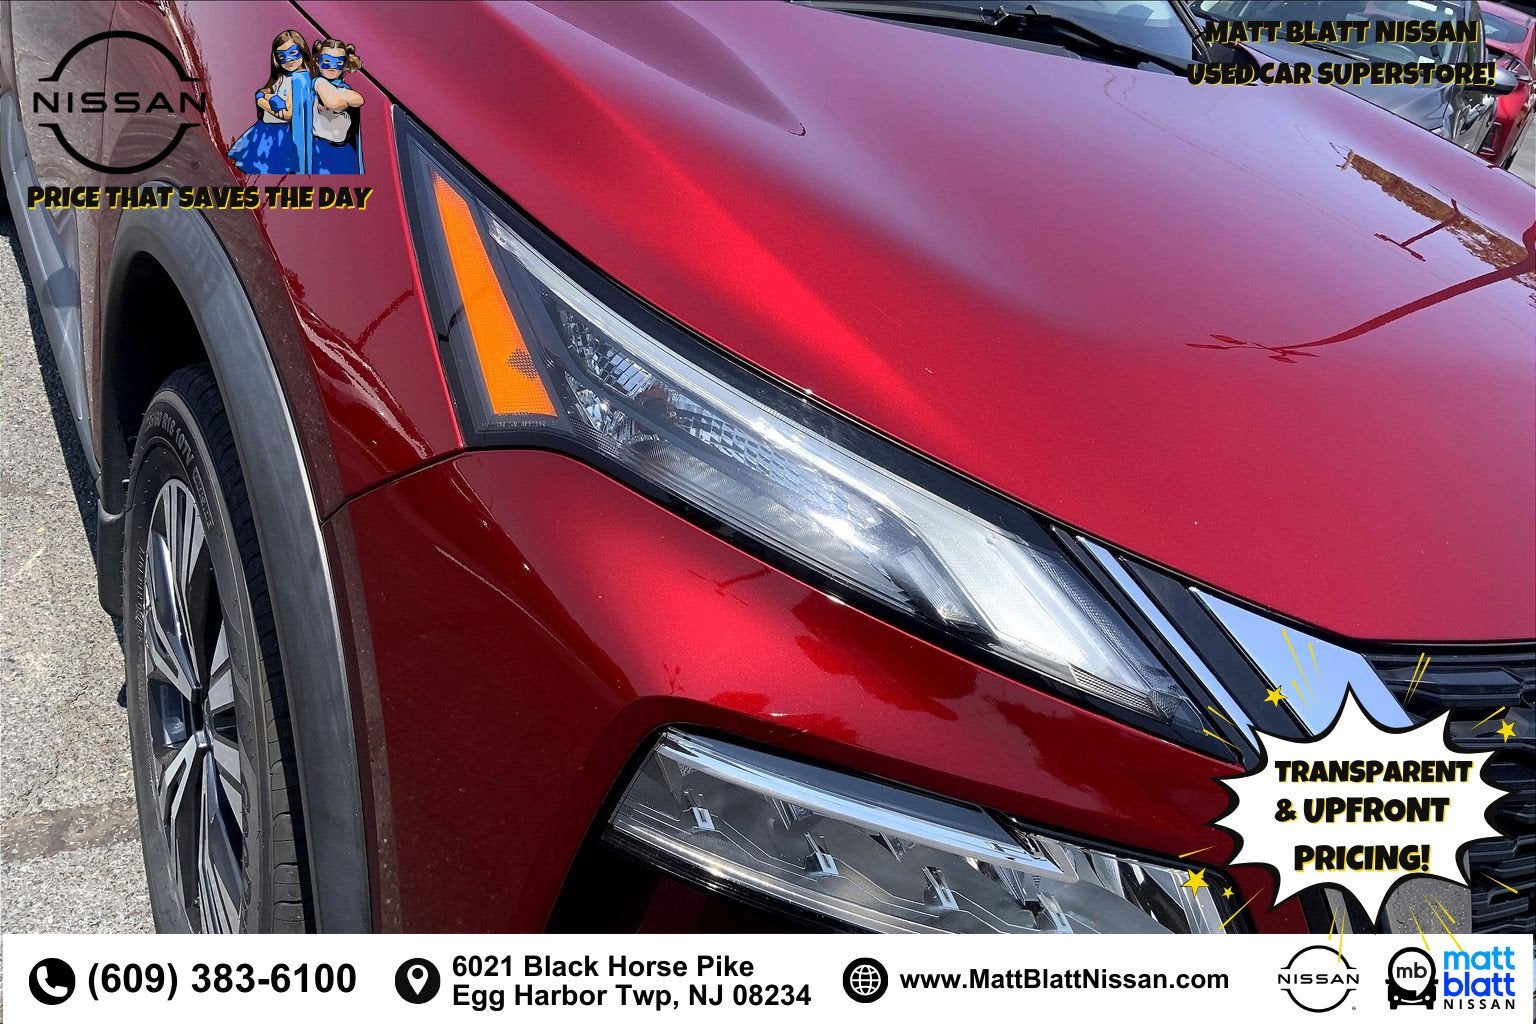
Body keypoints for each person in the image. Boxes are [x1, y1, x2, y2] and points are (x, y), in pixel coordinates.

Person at [227, 30, 316, 174]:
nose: (288, 59)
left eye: (293, 53)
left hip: (278, 136)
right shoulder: (285, 77)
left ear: (302, 50)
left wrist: (262, 101)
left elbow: (288, 113)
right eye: (282, 56)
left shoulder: (299, 80)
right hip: (266, 132)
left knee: (266, 168)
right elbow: (270, 90)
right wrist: (267, 95)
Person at [311, 38, 365, 174]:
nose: (332, 67)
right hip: (321, 148)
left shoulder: (342, 86)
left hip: (343, 147)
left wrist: (340, 97)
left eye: (338, 62)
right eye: (327, 61)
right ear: (317, 62)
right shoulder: (319, 82)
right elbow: (334, 103)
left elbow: (359, 99)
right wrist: (344, 101)